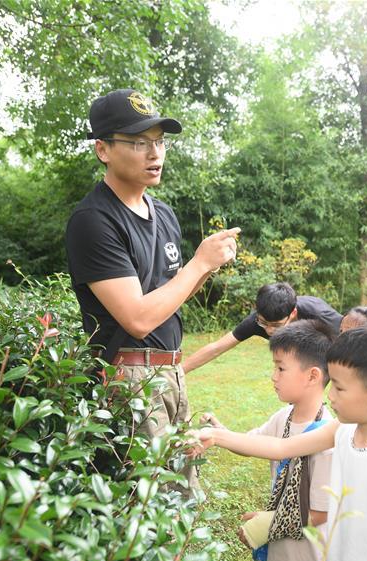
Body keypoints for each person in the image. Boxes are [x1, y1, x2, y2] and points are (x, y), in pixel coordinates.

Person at [65, 89, 239, 494]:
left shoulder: (162, 213)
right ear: (103, 150)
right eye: (139, 142)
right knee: (148, 502)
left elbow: (169, 298)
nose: (154, 153)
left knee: (180, 491)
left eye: (159, 141)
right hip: (129, 377)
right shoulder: (94, 221)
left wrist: (207, 266)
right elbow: (138, 319)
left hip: (171, 369)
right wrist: (199, 262)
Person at [192, 325, 367, 561]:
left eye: (341, 389)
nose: (330, 396)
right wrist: (216, 436)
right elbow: (280, 446)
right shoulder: (341, 432)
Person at [205, 320, 334, 561]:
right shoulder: (283, 418)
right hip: (279, 559)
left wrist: (267, 522)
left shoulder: (327, 439)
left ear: (312, 376)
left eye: (281, 368)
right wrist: (221, 433)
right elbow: (254, 443)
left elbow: (321, 513)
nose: (273, 376)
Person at [183, 282, 343, 373]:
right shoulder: (256, 320)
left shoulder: (319, 315)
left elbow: (352, 336)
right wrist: (178, 373)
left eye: (276, 325)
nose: (269, 330)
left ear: (293, 314)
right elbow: (217, 347)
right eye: (263, 323)